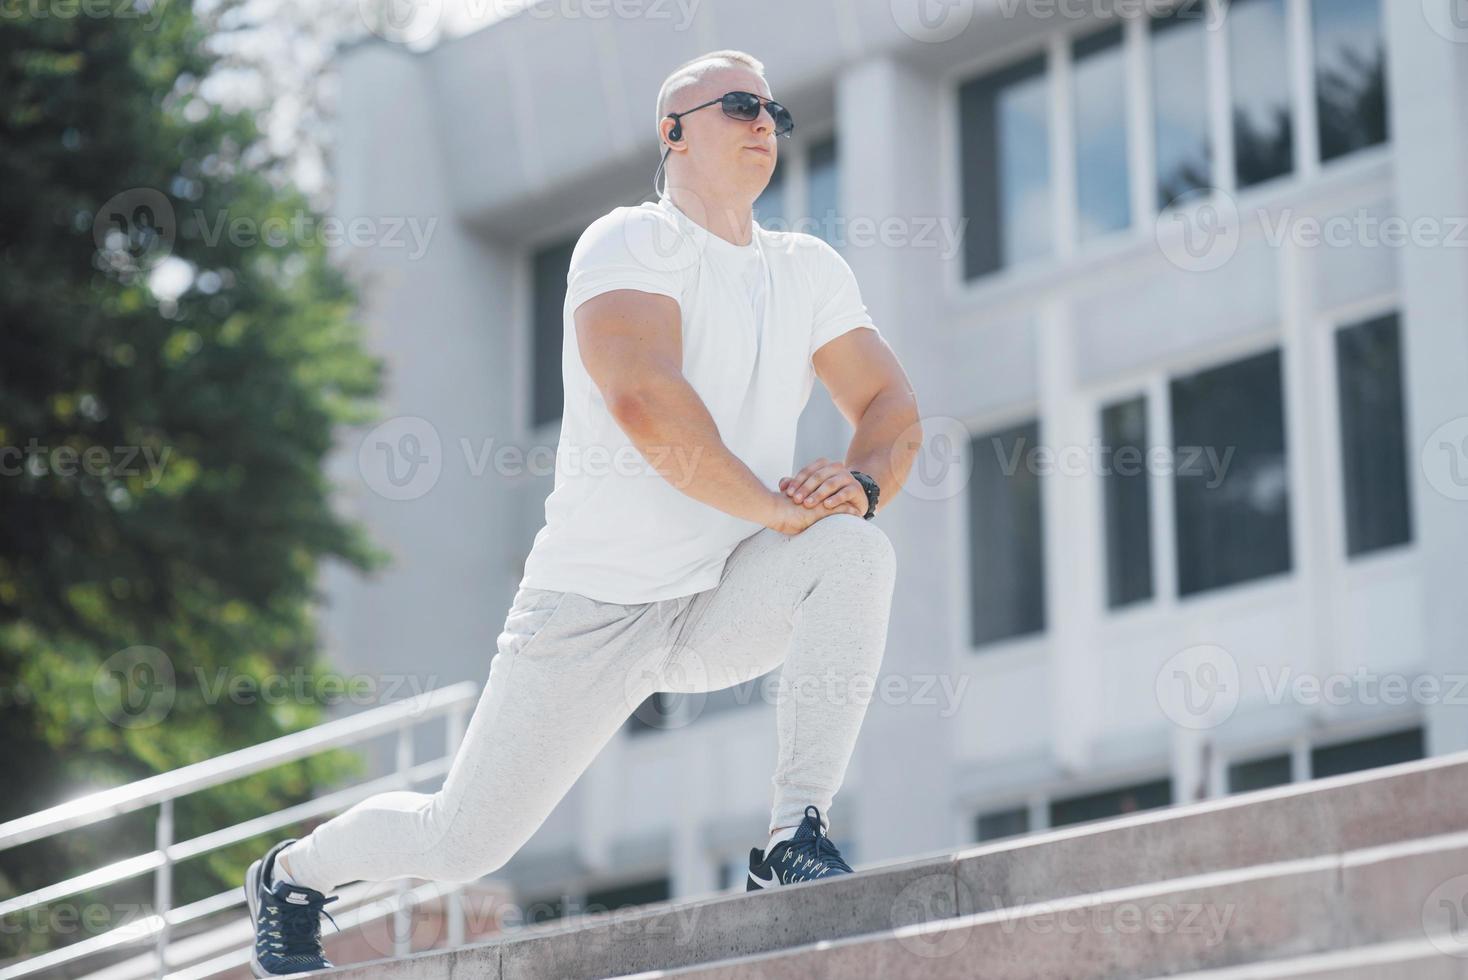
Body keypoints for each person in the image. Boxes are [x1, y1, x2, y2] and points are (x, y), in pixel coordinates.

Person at [243, 47, 920, 976]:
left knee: (854, 549)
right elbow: (646, 399)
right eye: (737, 105)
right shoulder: (627, 243)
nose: (765, 122)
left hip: (721, 596)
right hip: (591, 608)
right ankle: (292, 875)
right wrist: (771, 506)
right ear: (672, 130)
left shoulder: (807, 270)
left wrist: (862, 484)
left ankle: (792, 837)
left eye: (774, 111)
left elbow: (890, 407)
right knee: (462, 842)